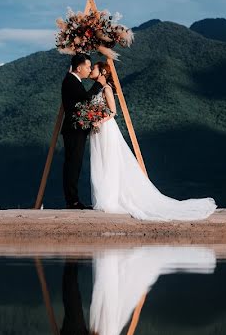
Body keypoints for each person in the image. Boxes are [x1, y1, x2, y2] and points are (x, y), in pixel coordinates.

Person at [87, 61, 217, 221]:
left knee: (109, 162)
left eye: (94, 68)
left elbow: (113, 112)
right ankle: (103, 198)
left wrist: (99, 121)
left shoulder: (106, 88)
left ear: (103, 73)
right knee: (99, 162)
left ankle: (109, 199)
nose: (91, 69)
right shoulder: (97, 89)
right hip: (98, 131)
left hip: (106, 129)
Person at [60, 54, 107, 209]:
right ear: (79, 68)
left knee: (74, 164)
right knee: (73, 165)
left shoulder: (72, 80)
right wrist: (99, 84)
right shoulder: (71, 81)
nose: (89, 70)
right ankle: (72, 201)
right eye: (87, 67)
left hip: (76, 130)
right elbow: (85, 98)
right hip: (74, 130)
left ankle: (73, 200)